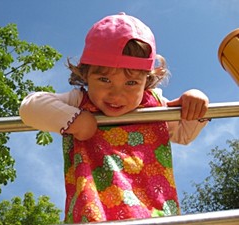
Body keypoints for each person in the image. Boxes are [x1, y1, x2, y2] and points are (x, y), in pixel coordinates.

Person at [19, 13, 209, 223]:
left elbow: (184, 135)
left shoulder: (155, 104)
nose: (117, 95)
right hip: (95, 215)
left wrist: (196, 103)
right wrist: (75, 119)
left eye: (131, 84)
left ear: (147, 79)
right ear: (85, 74)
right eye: (104, 79)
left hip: (154, 214)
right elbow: (30, 106)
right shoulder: (79, 102)